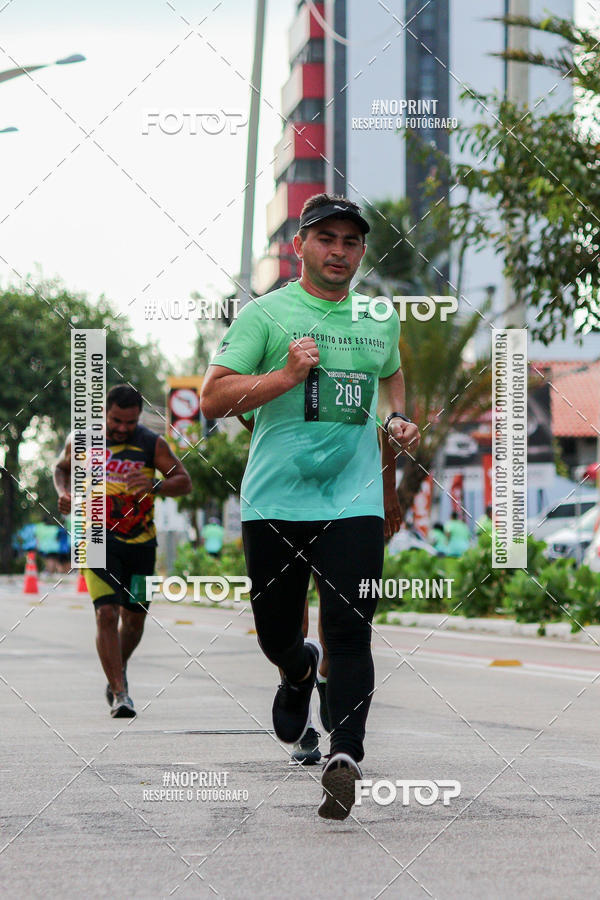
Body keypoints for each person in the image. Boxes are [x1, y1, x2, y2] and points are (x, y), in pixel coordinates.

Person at [201, 192, 420, 818]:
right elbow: (214, 399)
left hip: (352, 503)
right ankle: (298, 673)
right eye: (327, 239)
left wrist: (398, 422)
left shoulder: (378, 316)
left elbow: (390, 378)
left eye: (351, 242)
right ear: (299, 245)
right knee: (277, 633)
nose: (340, 252)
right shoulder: (266, 317)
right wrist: (285, 378)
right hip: (275, 499)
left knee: (352, 630)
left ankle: (344, 755)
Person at [238, 410, 402, 766]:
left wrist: (388, 489)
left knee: (339, 618)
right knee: (287, 619)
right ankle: (302, 695)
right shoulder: (277, 354)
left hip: (349, 502)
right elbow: (250, 415)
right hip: (285, 497)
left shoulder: (362, 354)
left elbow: (385, 421)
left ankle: (330, 684)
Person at [54, 384, 192, 718]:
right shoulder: (83, 440)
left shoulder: (151, 443)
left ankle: (118, 666)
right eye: (116, 420)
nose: (121, 428)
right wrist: (66, 493)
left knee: (134, 621)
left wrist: (156, 485)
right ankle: (120, 693)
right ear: (105, 412)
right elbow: (62, 468)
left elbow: (184, 481)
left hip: (142, 544)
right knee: (106, 613)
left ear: (138, 418)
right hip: (96, 539)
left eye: (129, 422)